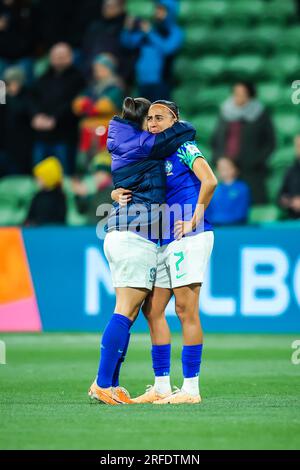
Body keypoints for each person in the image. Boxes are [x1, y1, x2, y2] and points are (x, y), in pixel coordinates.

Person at [88, 96, 196, 405]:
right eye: (150, 118)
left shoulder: (125, 138)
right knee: (125, 309)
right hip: (134, 235)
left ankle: (110, 383)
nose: (153, 124)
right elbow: (183, 133)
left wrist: (114, 191)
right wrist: (181, 122)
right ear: (141, 121)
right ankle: (102, 383)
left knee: (130, 310)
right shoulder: (143, 143)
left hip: (126, 231)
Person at [113, 100, 217, 405]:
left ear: (175, 120)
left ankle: (191, 389)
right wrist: (115, 193)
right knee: (153, 310)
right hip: (163, 239)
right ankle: (161, 385)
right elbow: (130, 180)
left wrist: (196, 217)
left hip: (190, 235)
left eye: (160, 117)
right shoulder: (153, 152)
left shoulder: (185, 147)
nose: (153, 123)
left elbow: (209, 180)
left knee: (186, 310)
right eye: (149, 119)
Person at [211, 81, 275, 204]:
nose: (238, 97)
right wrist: (220, 160)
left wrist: (255, 160)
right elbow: (216, 139)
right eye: (236, 93)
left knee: (253, 202)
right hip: (227, 169)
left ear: (250, 95)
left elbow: (270, 142)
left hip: (252, 170)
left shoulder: (261, 114)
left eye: (242, 93)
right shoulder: (225, 112)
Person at [29, 42, 85, 174]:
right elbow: (32, 99)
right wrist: (36, 115)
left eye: (62, 56)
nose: (58, 59)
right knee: (39, 176)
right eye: (55, 56)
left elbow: (73, 104)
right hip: (42, 135)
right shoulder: (43, 77)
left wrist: (55, 119)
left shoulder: (78, 78)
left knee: (64, 177)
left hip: (64, 136)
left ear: (70, 57)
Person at [72, 54, 124, 174]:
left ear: (109, 69)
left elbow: (105, 106)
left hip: (107, 132)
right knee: (85, 163)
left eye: (100, 68)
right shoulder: (93, 86)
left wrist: (88, 106)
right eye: (96, 69)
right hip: (88, 132)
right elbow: (77, 104)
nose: (97, 72)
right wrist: (87, 106)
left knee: (103, 163)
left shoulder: (115, 86)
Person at [121, 0, 182, 101]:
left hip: (161, 83)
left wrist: (150, 33)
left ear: (170, 12)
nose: (157, 12)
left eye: (162, 10)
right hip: (142, 82)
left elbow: (168, 49)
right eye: (157, 9)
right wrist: (127, 29)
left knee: (160, 114)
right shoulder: (150, 30)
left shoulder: (175, 31)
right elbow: (129, 44)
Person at [0, 65, 32, 176]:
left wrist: (11, 96)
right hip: (4, 144)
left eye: (16, 81)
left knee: (17, 176)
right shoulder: (3, 96)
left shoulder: (27, 96)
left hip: (21, 146)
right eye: (9, 82)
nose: (13, 85)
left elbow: (21, 111)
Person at [205, 157, 251, 226]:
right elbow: (208, 211)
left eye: (226, 167)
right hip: (216, 228)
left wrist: (217, 219)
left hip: (236, 228)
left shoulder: (242, 188)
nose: (223, 170)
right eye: (220, 168)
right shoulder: (213, 188)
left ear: (234, 169)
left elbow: (241, 213)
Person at [25, 156, 66, 226]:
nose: (36, 181)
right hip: (36, 231)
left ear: (48, 177)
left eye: (39, 178)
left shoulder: (59, 197)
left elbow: (60, 219)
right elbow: (29, 217)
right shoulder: (37, 196)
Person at [278, 135, 300, 219]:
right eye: (298, 146)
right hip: (293, 220)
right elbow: (280, 197)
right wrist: (290, 202)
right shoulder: (290, 171)